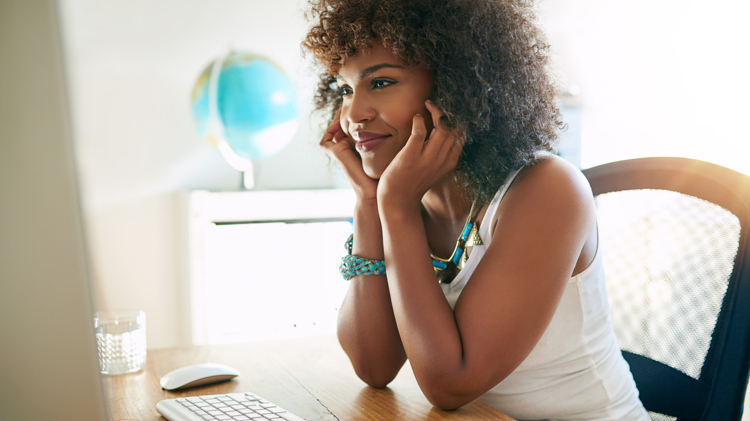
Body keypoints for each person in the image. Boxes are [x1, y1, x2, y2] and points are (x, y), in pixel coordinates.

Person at [303, 0, 650, 419]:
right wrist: (370, 202)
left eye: (380, 83)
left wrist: (394, 207)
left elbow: (451, 384)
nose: (353, 114)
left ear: (456, 85)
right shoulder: (406, 199)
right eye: (344, 89)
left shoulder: (548, 189)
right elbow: (374, 366)